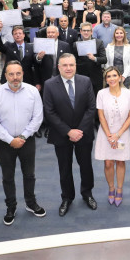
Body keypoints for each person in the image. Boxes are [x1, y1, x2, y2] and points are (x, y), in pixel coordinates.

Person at [0, 60, 45, 226]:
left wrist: (23, 137)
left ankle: (31, 203)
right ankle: (11, 207)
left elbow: (37, 118)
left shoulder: (33, 91)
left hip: (27, 141)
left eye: (18, 73)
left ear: (22, 74)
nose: (15, 77)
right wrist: (10, 140)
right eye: (11, 74)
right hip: (5, 143)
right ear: (5, 75)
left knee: (29, 174)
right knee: (8, 177)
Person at [42, 53, 98, 216]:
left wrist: (79, 130)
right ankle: (67, 197)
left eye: (71, 65)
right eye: (64, 65)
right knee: (64, 168)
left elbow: (91, 108)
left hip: (83, 133)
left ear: (75, 66)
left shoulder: (85, 81)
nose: (68, 68)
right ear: (58, 67)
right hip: (61, 135)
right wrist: (68, 131)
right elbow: (49, 112)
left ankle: (87, 194)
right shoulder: (50, 84)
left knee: (86, 166)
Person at [95, 66, 130, 207]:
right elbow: (101, 116)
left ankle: (119, 189)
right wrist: (110, 136)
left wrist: (117, 135)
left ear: (119, 77)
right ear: (106, 79)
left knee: (121, 161)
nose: (111, 79)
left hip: (122, 134)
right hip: (106, 134)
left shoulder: (128, 94)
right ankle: (111, 188)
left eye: (114, 76)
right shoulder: (101, 93)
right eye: (108, 77)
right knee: (108, 162)